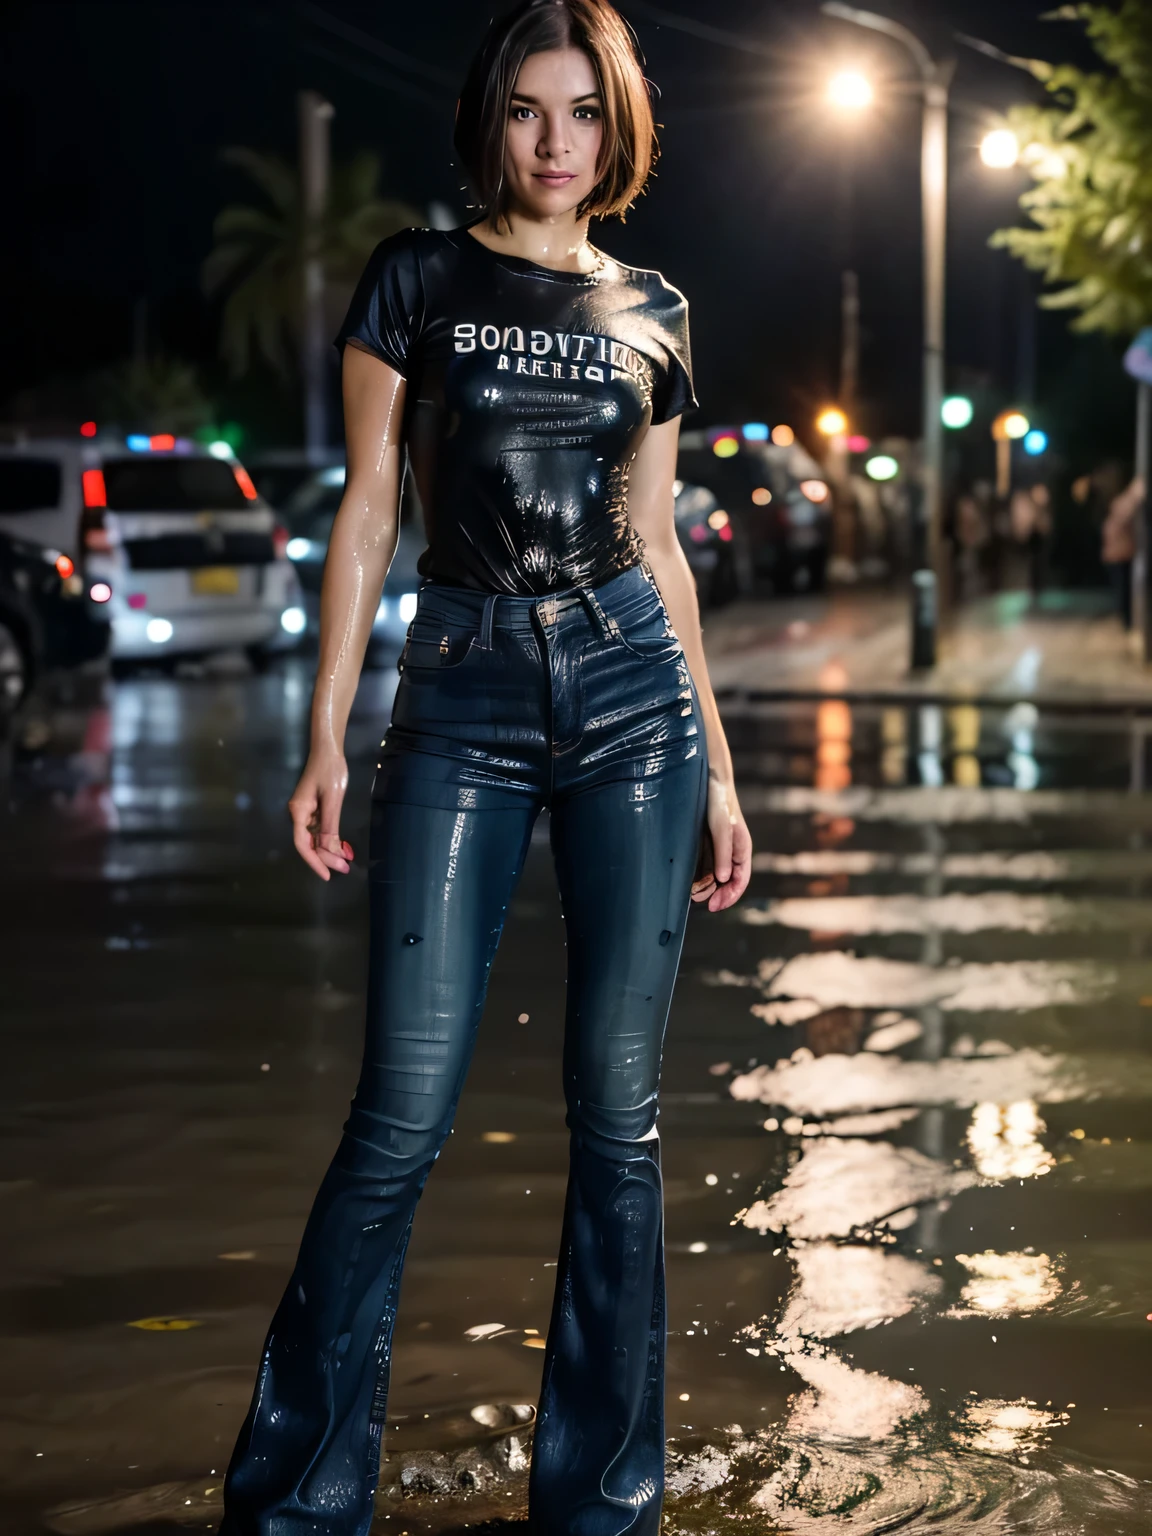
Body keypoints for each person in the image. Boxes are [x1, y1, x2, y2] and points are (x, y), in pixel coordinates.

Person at [218, 2, 752, 1532]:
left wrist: (717, 770)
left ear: (617, 130)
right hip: (459, 692)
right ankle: (299, 1496)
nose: (554, 142)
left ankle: (600, 1501)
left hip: (634, 703)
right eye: (528, 111)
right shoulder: (417, 277)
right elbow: (371, 518)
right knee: (400, 1115)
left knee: (619, 1120)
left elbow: (659, 548)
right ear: (492, 123)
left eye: (583, 113)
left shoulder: (655, 307)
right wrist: (325, 731)